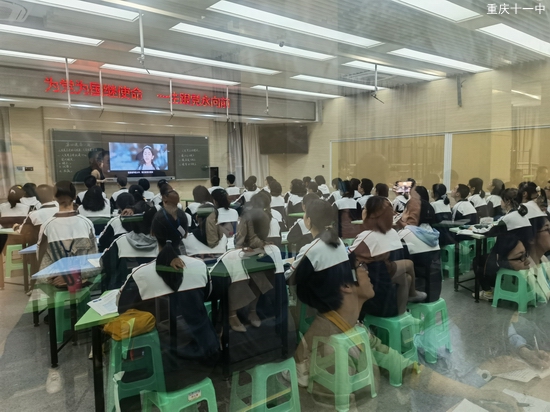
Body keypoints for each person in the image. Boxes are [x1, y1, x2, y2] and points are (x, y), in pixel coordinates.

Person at [291, 209, 521, 410]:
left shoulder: (352, 328)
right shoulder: (330, 350)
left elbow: (407, 370)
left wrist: (477, 394)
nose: (371, 271)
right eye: (361, 265)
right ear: (345, 286)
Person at [117, 209, 219, 386]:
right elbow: (208, 295)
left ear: (152, 233)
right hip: (205, 361)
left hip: (162, 370)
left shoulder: (139, 276)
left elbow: (121, 308)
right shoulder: (200, 267)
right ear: (185, 234)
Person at [349, 196, 426, 316]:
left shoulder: (367, 236)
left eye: (365, 209)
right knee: (406, 278)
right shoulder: (392, 232)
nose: (363, 211)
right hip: (386, 278)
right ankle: (401, 313)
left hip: (373, 284)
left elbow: (349, 257)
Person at [37, 181, 97, 276]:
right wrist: (77, 275)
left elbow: (42, 259)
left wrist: (57, 278)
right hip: (83, 278)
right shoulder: (86, 223)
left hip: (56, 278)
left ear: (54, 198)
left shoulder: (47, 225)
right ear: (75, 197)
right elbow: (93, 257)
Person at [398, 186, 442, 302]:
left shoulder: (404, 235)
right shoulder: (433, 233)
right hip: (435, 291)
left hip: (417, 293)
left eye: (405, 211)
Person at [101, 207, 158, 290]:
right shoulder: (164, 242)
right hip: (155, 290)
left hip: (125, 291)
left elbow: (106, 264)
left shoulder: (120, 241)